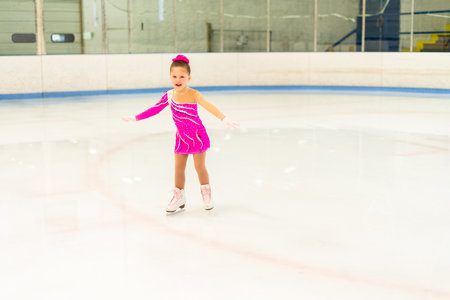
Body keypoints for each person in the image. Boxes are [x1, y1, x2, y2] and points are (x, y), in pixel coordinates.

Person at [122, 55, 239, 213]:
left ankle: (206, 194)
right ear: (170, 77)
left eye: (182, 76)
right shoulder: (169, 95)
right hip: (182, 137)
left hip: (197, 135)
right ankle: (179, 197)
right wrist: (136, 118)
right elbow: (154, 109)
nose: (178, 79)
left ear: (188, 78)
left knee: (199, 166)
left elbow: (207, 105)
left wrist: (222, 117)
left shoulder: (193, 94)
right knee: (178, 168)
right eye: (174, 76)